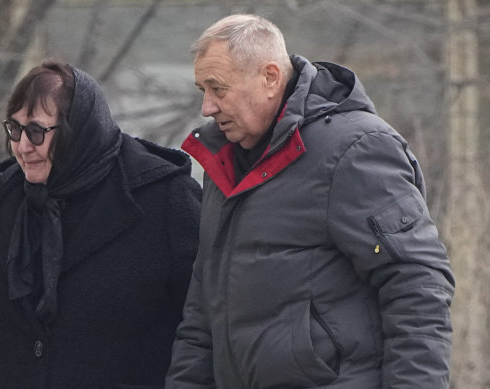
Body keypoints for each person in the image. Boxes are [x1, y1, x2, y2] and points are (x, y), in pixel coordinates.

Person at [166, 14, 454, 389]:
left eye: (218, 88)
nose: (207, 107)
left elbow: (417, 286)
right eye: (201, 89)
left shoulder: (355, 149)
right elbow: (202, 312)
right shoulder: (224, 162)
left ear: (270, 77)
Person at [0, 61, 201, 389]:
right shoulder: (9, 201)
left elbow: (208, 329)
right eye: (15, 130)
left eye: (37, 131)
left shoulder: (163, 198)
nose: (23, 147)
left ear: (76, 129)